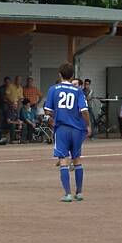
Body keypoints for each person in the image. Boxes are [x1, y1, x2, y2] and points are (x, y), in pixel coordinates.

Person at [44, 63, 91, 202]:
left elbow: (47, 110)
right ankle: (80, 192)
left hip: (62, 128)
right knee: (77, 160)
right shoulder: (78, 91)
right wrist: (87, 125)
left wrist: (54, 117)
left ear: (59, 74)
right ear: (72, 76)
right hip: (77, 129)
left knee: (63, 160)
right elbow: (84, 111)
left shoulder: (53, 89)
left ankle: (68, 194)